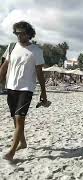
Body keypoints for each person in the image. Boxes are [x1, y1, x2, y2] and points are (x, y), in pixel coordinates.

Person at [0, 21, 49, 161]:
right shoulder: (11, 47)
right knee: (15, 119)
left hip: (26, 88)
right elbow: (4, 66)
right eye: (17, 33)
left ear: (29, 33)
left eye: (21, 33)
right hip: (11, 87)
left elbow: (40, 72)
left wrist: (43, 92)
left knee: (20, 119)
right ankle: (22, 142)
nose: (19, 35)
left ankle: (12, 151)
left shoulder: (36, 51)